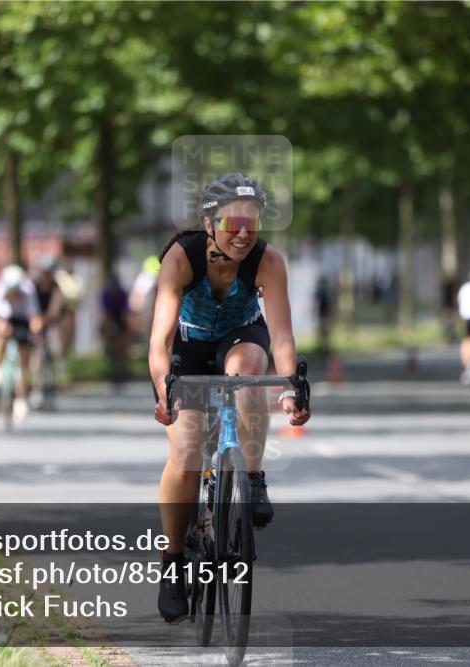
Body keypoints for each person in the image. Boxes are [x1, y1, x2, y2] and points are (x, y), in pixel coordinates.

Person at [149, 172, 310, 622]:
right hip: (188, 346)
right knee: (186, 450)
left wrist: (289, 388)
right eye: (231, 223)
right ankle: (172, 562)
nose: (242, 233)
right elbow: (160, 339)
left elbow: (281, 337)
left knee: (246, 373)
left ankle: (252, 479)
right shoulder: (181, 258)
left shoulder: (267, 260)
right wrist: (164, 390)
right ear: (208, 224)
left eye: (251, 223)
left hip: (241, 337)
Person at [0, 264, 41, 422]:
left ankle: (21, 397)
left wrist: (35, 329)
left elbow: (34, 316)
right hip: (5, 319)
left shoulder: (28, 289)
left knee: (24, 357)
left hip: (22, 321)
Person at [31, 255, 65, 407]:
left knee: (54, 347)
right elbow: (30, 306)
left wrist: (46, 319)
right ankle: (37, 389)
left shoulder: (56, 287)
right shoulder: (34, 286)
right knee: (37, 357)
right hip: (36, 321)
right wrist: (35, 320)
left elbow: (55, 308)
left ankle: (57, 371)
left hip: (51, 322)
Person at [100, 273, 130, 385]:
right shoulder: (105, 294)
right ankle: (111, 360)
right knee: (108, 334)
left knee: (122, 342)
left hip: (120, 318)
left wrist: (125, 329)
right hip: (110, 317)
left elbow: (124, 314)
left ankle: (122, 366)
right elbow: (106, 314)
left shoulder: (122, 294)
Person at [313, 273, 334, 354]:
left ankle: (324, 347)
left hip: (324, 313)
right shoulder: (323, 290)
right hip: (323, 313)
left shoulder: (324, 290)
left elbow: (329, 303)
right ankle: (322, 347)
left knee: (324, 331)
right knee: (323, 331)